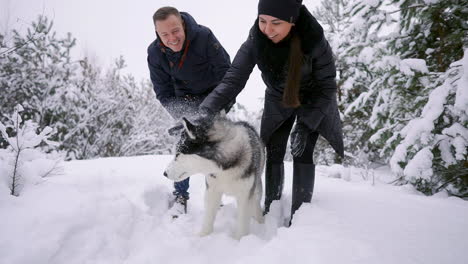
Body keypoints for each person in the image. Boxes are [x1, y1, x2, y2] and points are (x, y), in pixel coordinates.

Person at [198, 0, 344, 225]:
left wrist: (306, 125)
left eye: (276, 23)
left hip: (314, 99)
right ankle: (272, 207)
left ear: (292, 21)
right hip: (279, 99)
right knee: (273, 150)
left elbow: (327, 85)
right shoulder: (256, 40)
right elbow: (233, 79)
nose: (267, 29)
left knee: (302, 150)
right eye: (262, 21)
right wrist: (206, 111)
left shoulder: (314, 40)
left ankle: (300, 215)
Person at [147, 6, 232, 217]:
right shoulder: (154, 53)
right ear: (157, 33)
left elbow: (226, 73)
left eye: (175, 31)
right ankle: (180, 196)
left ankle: (215, 197)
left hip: (213, 100)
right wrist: (182, 116)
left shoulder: (203, 37)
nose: (171, 38)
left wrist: (215, 108)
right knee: (183, 146)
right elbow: (163, 91)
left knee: (212, 149)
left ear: (183, 24)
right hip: (184, 105)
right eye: (164, 34)